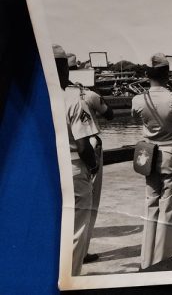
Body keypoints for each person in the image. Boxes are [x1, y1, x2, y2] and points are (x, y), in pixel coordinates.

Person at [132, 53, 172, 269]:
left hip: (148, 155)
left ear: (146, 74)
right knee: (169, 207)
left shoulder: (138, 99)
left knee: (151, 204)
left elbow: (138, 117)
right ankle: (164, 261)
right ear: (168, 74)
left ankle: (146, 259)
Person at [54, 45, 100, 276]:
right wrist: (93, 166)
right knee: (76, 230)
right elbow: (83, 145)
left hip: (44, 168)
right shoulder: (73, 100)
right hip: (72, 166)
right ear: (63, 68)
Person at [67, 53, 114, 265]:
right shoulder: (86, 95)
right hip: (86, 147)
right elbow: (110, 114)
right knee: (90, 201)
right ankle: (82, 251)